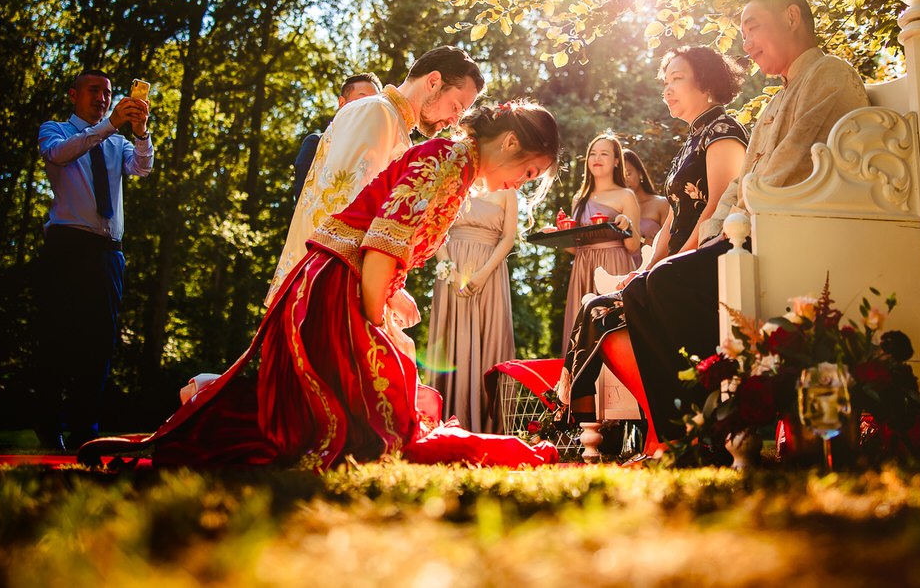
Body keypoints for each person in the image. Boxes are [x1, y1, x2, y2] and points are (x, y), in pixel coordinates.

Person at [79, 102, 561, 469]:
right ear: (513, 144)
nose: (520, 183)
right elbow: (379, 249)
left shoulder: (456, 162)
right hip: (334, 289)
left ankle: (213, 397)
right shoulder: (450, 160)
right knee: (386, 435)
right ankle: (215, 399)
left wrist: (390, 301)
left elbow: (385, 250)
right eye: (530, 173)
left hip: (336, 284)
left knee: (349, 419)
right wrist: (377, 330)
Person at [583, 0, 871, 456]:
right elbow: (744, 185)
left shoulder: (828, 75)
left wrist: (716, 233)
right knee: (642, 287)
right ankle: (682, 437)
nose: (746, 42)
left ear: (793, 17)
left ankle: (714, 429)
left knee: (669, 282)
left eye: (752, 26)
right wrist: (716, 231)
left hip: (792, 234)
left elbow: (787, 167)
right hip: (753, 229)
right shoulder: (777, 98)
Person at [560, 47, 747, 444]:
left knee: (625, 304)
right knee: (597, 309)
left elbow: (718, 207)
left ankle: (676, 433)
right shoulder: (691, 141)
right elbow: (673, 223)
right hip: (676, 266)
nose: (667, 90)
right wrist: (643, 269)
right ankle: (655, 429)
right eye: (665, 82)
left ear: (708, 83)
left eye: (677, 79)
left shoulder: (723, 131)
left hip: (709, 266)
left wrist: (671, 265)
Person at [269, 47, 485, 322]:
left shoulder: (392, 124)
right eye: (457, 107)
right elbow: (341, 209)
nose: (456, 120)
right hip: (318, 291)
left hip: (328, 288)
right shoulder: (376, 112)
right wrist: (389, 291)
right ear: (433, 81)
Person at [36, 69, 153, 451]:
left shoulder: (115, 141)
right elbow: (59, 155)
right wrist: (109, 126)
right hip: (67, 247)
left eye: (107, 93)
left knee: (99, 343)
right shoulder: (55, 130)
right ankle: (49, 426)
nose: (102, 98)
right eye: (93, 90)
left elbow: (142, 168)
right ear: (74, 95)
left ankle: (85, 428)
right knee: (55, 336)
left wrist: (139, 133)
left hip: (108, 254)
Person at [424, 185, 519, 432]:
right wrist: (450, 272)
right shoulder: (455, 179)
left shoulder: (507, 189)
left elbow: (508, 238)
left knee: (489, 340)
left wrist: (483, 274)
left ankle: (489, 426)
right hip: (451, 271)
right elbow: (436, 228)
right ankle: (443, 421)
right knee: (451, 341)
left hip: (490, 273)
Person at [560, 134, 641, 355]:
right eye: (592, 153)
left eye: (604, 154)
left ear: (616, 161)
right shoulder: (579, 198)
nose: (597, 158)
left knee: (610, 328)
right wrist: (559, 235)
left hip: (613, 263)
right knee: (580, 330)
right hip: (582, 266)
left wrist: (628, 225)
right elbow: (574, 248)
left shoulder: (626, 195)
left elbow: (634, 246)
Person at [293, 73, 382, 202]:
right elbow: (303, 201)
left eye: (375, 101)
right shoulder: (316, 144)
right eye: (362, 99)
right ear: (342, 102)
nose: (369, 106)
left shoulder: (379, 152)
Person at [623, 149, 670, 250]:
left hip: (654, 263)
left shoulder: (661, 204)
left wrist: (653, 244)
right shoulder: (615, 211)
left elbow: (673, 243)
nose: (625, 180)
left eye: (628, 174)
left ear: (640, 173)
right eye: (619, 177)